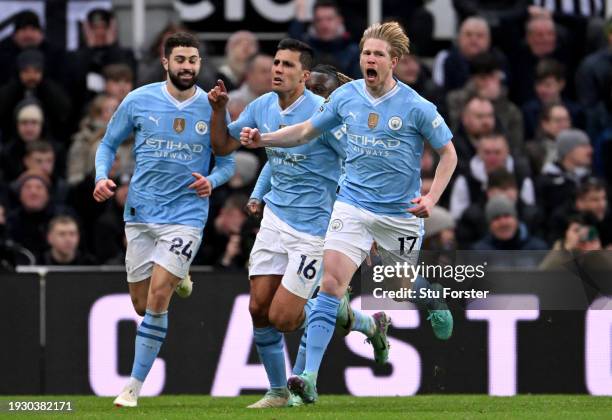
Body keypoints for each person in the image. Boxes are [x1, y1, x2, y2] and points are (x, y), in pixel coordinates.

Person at [239, 21, 457, 404]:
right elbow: (306, 131)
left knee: (398, 286)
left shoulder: (416, 107)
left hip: (398, 214)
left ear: (395, 61)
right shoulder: (345, 97)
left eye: (377, 55)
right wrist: (264, 139)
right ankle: (307, 377)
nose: (369, 60)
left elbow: (449, 155)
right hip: (353, 206)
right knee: (330, 286)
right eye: (365, 53)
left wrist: (432, 198)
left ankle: (432, 297)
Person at [208, 39, 389, 408]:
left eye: (287, 65)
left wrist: (366, 223)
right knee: (258, 309)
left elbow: (359, 163)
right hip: (275, 222)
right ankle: (277, 392)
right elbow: (223, 146)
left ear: (304, 76)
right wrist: (220, 110)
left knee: (284, 318)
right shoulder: (261, 107)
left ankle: (355, 321)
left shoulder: (324, 115)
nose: (278, 70)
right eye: (276, 62)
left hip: (313, 231)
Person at [93, 32, 235, 408]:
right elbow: (108, 143)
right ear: (166, 62)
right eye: (181, 60)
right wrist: (100, 177)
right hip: (141, 213)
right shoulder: (139, 100)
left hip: (186, 215)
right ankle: (179, 276)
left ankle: (133, 387)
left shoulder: (213, 106)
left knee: (157, 298)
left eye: (193, 60)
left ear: (200, 64)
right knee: (141, 305)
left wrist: (213, 180)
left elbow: (228, 159)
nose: (187, 66)